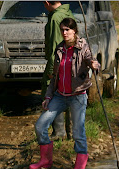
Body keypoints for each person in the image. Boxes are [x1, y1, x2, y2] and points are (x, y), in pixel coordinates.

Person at [31, 17, 100, 169]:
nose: (64, 32)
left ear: (74, 30)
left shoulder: (83, 46)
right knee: (40, 125)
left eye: (67, 30)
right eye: (62, 30)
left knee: (78, 132)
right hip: (59, 96)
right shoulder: (60, 49)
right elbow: (54, 77)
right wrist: (48, 97)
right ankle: (46, 160)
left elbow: (90, 59)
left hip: (78, 96)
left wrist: (94, 64)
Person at [42, 1, 74, 141]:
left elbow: (55, 44)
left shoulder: (55, 18)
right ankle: (72, 133)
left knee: (54, 94)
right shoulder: (68, 12)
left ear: (47, 2)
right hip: (71, 60)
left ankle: (59, 133)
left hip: (60, 61)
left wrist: (51, 70)